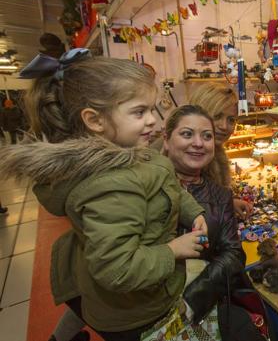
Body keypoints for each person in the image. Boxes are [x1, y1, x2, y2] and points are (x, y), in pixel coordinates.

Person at [0, 50, 208, 341]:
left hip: (137, 293)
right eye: (139, 112)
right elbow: (117, 268)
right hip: (134, 312)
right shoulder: (110, 186)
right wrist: (173, 250)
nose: (154, 121)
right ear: (95, 120)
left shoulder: (133, 152)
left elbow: (165, 182)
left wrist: (193, 211)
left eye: (153, 109)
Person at [162, 104, 246, 323]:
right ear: (166, 139)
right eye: (187, 134)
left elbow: (233, 254)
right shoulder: (146, 186)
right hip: (149, 303)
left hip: (197, 306)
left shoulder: (220, 195)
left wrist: (192, 299)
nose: (198, 143)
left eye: (206, 136)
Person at [187, 82, 253, 219]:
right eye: (216, 116)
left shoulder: (214, 151)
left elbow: (206, 200)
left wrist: (229, 203)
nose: (224, 126)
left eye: (231, 120)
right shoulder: (184, 157)